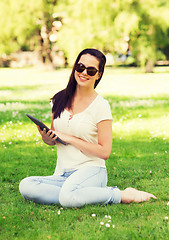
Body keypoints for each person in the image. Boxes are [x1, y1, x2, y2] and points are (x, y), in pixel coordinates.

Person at [19, 48, 156, 207]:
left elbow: (105, 152)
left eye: (91, 70)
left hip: (92, 171)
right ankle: (77, 194)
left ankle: (121, 194)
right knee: (26, 185)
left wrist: (70, 139)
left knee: (67, 197)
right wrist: (46, 137)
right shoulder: (59, 99)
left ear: (98, 75)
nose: (84, 72)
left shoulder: (101, 106)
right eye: (80, 67)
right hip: (63, 173)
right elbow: (53, 140)